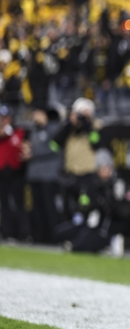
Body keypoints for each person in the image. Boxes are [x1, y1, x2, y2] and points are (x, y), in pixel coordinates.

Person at [54, 148, 130, 255]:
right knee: (60, 233)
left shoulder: (118, 185)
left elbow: (125, 211)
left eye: (107, 167)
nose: (105, 171)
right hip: (91, 223)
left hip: (107, 227)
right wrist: (90, 205)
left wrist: (107, 204)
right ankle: (90, 244)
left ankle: (109, 242)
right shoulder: (92, 184)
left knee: (77, 246)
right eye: (102, 168)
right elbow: (82, 207)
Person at [23, 102, 63, 243]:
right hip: (34, 175)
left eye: (36, 113)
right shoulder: (33, 130)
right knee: (37, 209)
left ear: (43, 114)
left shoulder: (55, 129)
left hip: (49, 176)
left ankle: (54, 238)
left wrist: (33, 153)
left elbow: (54, 148)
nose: (34, 117)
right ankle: (40, 238)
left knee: (50, 209)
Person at [0, 105, 29, 242]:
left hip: (17, 173)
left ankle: (23, 233)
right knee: (4, 204)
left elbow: (25, 149)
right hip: (2, 173)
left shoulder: (20, 132)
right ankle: (7, 233)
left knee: (19, 204)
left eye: (6, 117)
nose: (3, 120)